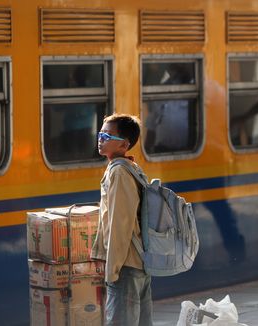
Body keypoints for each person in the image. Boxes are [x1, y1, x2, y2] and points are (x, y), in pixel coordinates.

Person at [91, 113, 153, 325]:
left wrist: (112, 270)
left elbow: (120, 224)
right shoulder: (127, 168)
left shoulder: (119, 173)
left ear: (124, 145)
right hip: (137, 263)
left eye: (108, 135)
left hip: (126, 266)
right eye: (101, 133)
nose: (101, 138)